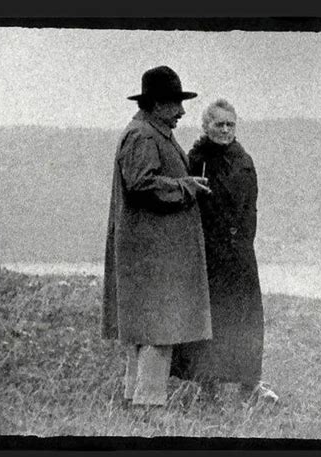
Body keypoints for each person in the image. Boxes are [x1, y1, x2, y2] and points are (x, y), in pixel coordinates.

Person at [101, 66, 213, 407]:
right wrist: (185, 186)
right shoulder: (144, 136)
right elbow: (141, 183)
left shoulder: (150, 131)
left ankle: (134, 400)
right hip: (151, 255)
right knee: (157, 330)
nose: (181, 111)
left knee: (147, 331)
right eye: (174, 103)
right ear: (155, 104)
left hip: (149, 253)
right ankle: (148, 405)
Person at [171, 99, 278, 404]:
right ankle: (207, 386)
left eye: (230, 124)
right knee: (211, 319)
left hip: (240, 254)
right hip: (208, 254)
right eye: (219, 124)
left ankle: (249, 383)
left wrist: (243, 243)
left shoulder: (244, 160)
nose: (226, 130)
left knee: (246, 317)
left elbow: (250, 208)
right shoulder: (195, 160)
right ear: (206, 127)